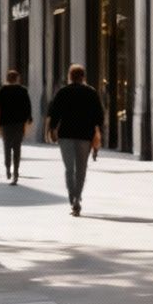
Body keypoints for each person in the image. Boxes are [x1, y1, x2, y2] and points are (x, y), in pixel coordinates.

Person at [46, 64, 104, 216]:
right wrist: (98, 132)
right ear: (83, 77)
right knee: (81, 169)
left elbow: (54, 112)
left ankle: (72, 197)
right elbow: (99, 116)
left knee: (69, 168)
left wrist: (52, 130)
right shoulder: (91, 93)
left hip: (65, 135)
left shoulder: (63, 92)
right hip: (85, 136)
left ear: (70, 77)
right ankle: (78, 197)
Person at [0, 70, 34, 183]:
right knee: (17, 148)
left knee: (7, 146)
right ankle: (16, 172)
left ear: (8, 79)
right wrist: (29, 118)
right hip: (19, 123)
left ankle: (7, 168)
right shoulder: (23, 90)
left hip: (5, 123)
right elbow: (27, 106)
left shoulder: (3, 90)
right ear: (17, 78)